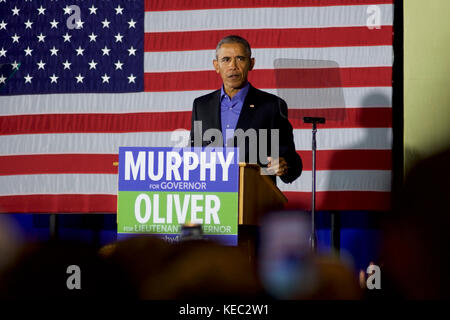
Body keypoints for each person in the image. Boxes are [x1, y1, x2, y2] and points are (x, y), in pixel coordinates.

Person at [190, 35, 302, 184]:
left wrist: (284, 165)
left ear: (251, 63)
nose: (233, 66)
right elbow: (195, 156)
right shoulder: (201, 105)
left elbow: (291, 161)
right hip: (214, 198)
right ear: (216, 65)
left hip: (255, 197)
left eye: (240, 58)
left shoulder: (272, 105)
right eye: (226, 59)